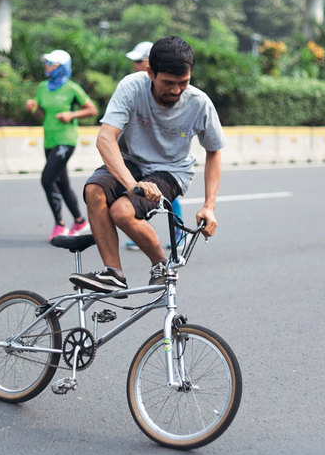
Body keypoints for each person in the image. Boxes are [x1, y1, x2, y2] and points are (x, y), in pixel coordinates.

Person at [69, 36, 226, 292]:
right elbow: (106, 138)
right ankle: (113, 274)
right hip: (132, 161)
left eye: (183, 83)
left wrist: (209, 206)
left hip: (171, 170)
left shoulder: (199, 103)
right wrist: (132, 185)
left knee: (121, 211)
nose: (175, 90)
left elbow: (214, 151)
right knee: (94, 190)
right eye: (168, 83)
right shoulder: (132, 87)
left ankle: (161, 265)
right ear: (150, 72)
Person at [27, 49, 97, 240]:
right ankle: (80, 220)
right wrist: (34, 108)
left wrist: (72, 115)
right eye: (46, 63)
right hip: (49, 139)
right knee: (62, 183)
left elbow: (92, 109)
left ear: (62, 67)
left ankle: (59, 224)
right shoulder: (42, 87)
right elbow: (41, 115)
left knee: (47, 179)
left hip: (66, 139)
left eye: (51, 64)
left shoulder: (72, 89)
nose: (46, 67)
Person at [124, 40, 184, 251]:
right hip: (139, 153)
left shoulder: (170, 91)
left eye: (138, 61)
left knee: (167, 196)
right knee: (140, 193)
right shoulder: (133, 86)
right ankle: (141, 232)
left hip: (163, 154)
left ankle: (178, 232)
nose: (135, 65)